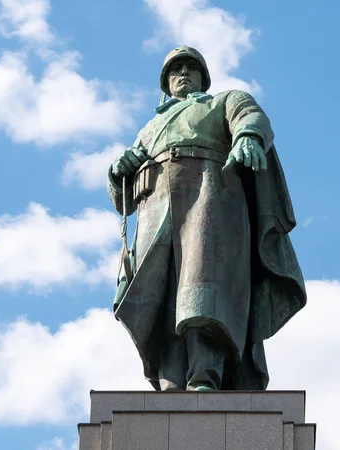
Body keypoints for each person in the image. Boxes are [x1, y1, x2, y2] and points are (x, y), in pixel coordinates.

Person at [107, 46, 306, 391]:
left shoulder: (223, 101)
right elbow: (122, 200)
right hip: (157, 208)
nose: (183, 73)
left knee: (202, 290)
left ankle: (205, 375)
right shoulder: (149, 128)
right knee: (163, 295)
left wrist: (247, 137)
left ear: (203, 77)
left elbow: (250, 116)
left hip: (209, 196)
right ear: (165, 83)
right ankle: (171, 380)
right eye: (175, 69)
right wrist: (118, 172)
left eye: (191, 68)